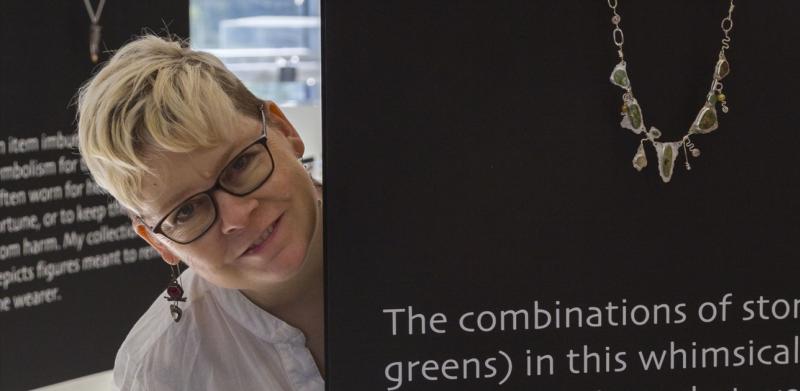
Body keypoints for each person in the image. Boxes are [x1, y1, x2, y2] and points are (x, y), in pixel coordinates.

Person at [76, 35, 324, 390]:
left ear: (284, 130)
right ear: (159, 243)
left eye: (240, 164)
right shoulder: (161, 371)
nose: (236, 217)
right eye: (186, 210)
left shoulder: (423, 234)